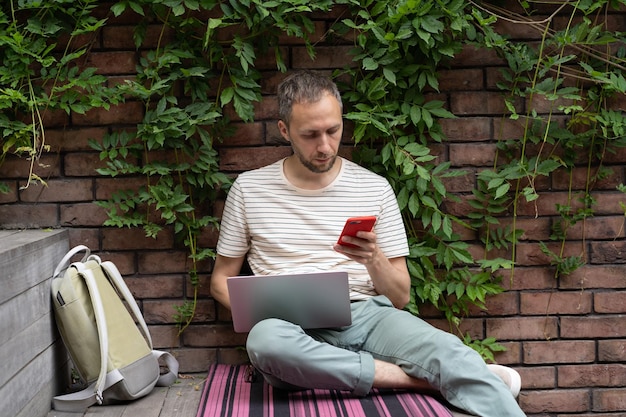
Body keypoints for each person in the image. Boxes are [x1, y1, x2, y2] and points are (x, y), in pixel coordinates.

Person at [210, 70, 526, 417]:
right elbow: (221, 280)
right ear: (285, 130)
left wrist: (373, 257)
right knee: (265, 343)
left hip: (367, 316)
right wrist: (260, 308)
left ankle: (443, 376)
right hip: (286, 326)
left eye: (333, 130)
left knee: (449, 350)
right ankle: (413, 380)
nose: (325, 146)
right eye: (310, 135)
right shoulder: (249, 189)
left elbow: (400, 296)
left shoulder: (374, 187)